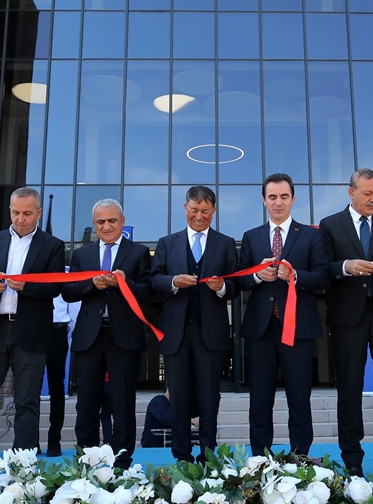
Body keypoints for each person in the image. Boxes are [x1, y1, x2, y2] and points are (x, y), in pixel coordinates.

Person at [0, 187, 65, 471]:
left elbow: (56, 288)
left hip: (29, 333)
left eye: (27, 213)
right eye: (16, 212)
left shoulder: (52, 245)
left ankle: (23, 468)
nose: (21, 219)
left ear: (38, 213)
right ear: (9, 210)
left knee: (27, 403)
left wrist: (27, 286)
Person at [319, 168, 373, 475]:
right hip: (347, 318)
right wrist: (346, 266)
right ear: (351, 192)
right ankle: (353, 463)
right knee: (349, 389)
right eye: (367, 193)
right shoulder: (331, 225)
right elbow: (323, 268)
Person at [237, 173, 328, 457]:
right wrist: (256, 275)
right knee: (259, 399)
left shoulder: (312, 235)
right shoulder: (251, 237)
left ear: (293, 199)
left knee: (299, 397)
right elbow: (239, 280)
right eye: (272, 197)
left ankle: (300, 456)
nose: (278, 202)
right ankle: (260, 460)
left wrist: (296, 275)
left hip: (298, 328)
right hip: (260, 329)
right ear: (264, 200)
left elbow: (323, 276)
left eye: (284, 196)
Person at [149, 186, 240, 463]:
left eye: (205, 211)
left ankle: (208, 456)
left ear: (213, 211)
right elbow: (154, 281)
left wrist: (223, 286)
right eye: (194, 210)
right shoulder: (167, 243)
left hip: (211, 334)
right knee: (178, 397)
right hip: (175, 333)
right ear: (185, 209)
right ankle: (181, 457)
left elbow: (236, 284)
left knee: (210, 398)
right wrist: (174, 282)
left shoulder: (225, 243)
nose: (199, 216)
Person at [63, 199, 153, 469]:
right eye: (101, 221)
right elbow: (68, 291)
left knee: (123, 403)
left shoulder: (138, 253)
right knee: (86, 404)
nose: (106, 226)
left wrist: (123, 283)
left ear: (122, 222)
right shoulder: (82, 254)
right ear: (95, 224)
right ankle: (87, 461)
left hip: (124, 335)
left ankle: (122, 462)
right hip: (89, 336)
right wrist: (92, 283)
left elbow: (149, 291)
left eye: (112, 220)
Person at [43, 292, 80, 456]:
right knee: (29, 389)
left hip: (58, 330)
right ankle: (30, 441)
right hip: (33, 330)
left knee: (57, 388)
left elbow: (74, 312)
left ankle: (54, 441)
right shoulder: (31, 272)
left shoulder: (65, 276)